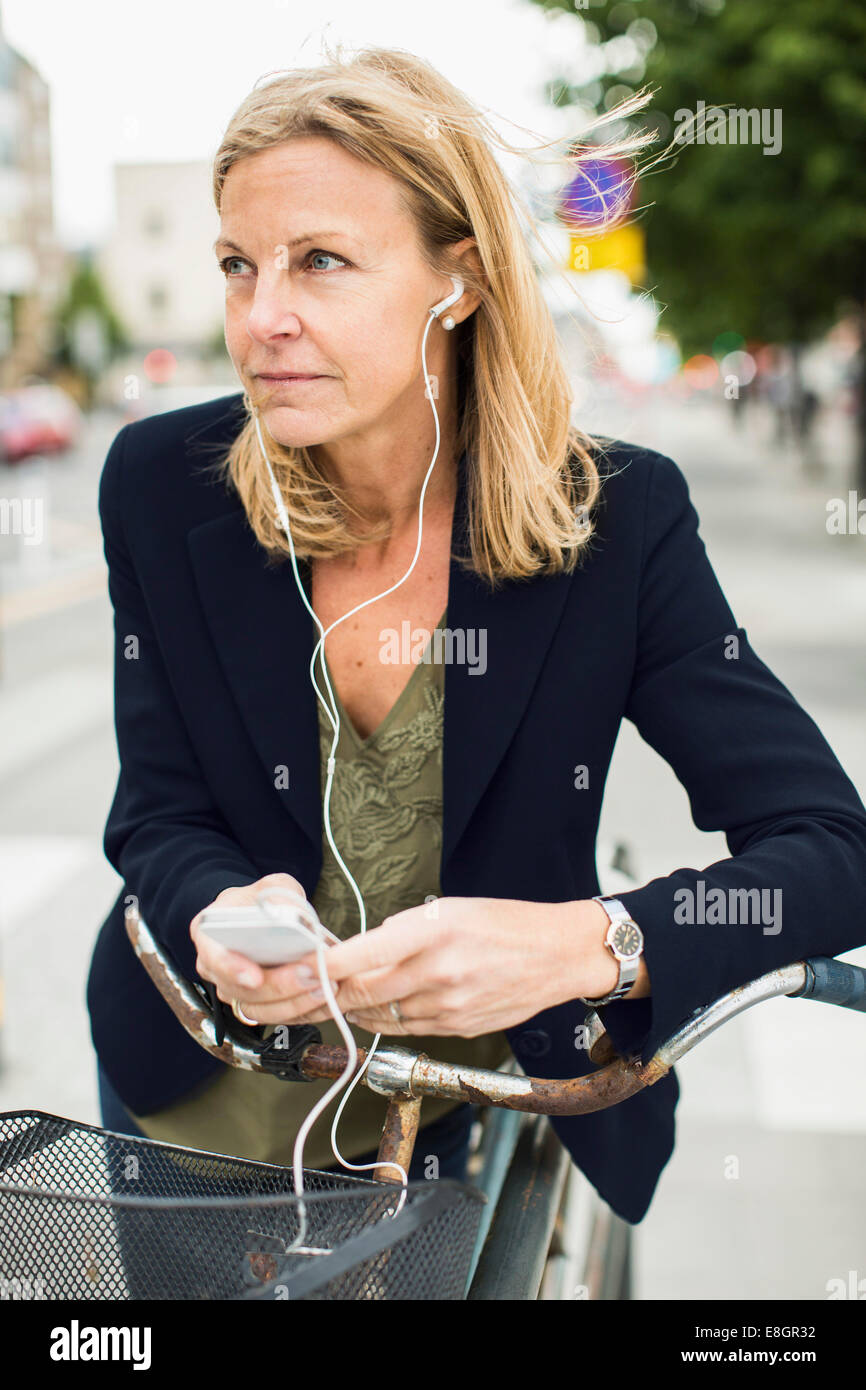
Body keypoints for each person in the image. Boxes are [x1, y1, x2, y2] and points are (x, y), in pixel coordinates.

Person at [87, 46, 866, 1227]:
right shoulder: (163, 483)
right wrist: (214, 904)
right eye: (238, 266)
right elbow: (156, 810)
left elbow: (826, 848)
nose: (263, 317)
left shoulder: (619, 519)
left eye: (321, 262)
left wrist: (589, 945)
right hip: (191, 1096)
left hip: (465, 1109)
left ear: (456, 281)